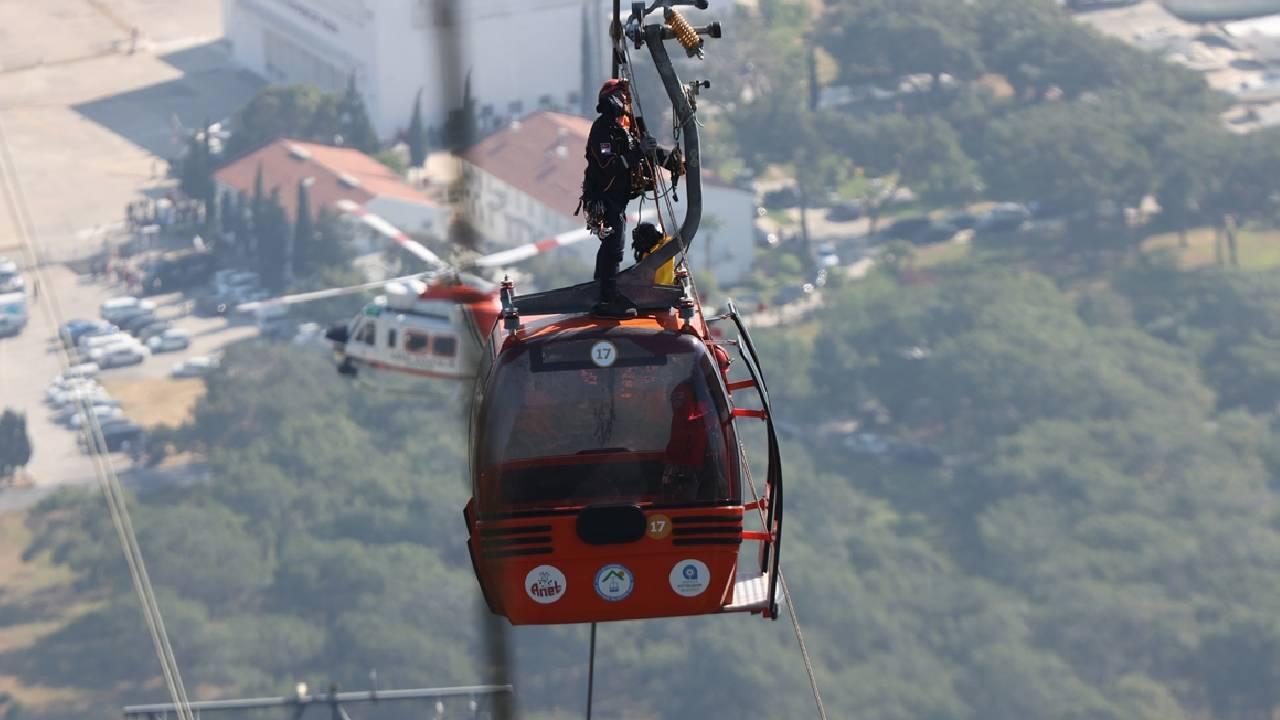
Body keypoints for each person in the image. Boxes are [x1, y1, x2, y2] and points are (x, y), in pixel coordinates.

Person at [578, 79, 679, 314]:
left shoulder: (623, 128)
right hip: (604, 198)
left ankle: (604, 292)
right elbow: (610, 166)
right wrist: (638, 152)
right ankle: (606, 297)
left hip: (617, 198)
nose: (626, 102)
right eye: (622, 97)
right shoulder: (602, 130)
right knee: (613, 247)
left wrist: (670, 161)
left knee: (614, 246)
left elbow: (644, 150)